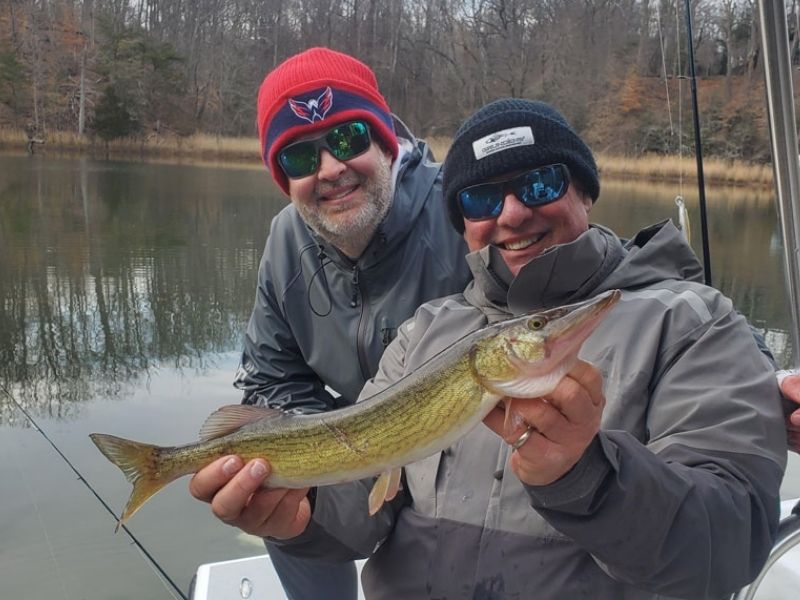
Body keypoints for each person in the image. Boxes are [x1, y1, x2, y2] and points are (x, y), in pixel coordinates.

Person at [194, 98, 790, 599]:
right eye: (480, 200)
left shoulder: (694, 322)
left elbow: (730, 544)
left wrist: (588, 476)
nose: (511, 213)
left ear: (586, 192)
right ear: (463, 223)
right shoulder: (428, 331)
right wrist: (301, 515)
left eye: (539, 183)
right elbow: (365, 499)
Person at [193, 47, 470, 599]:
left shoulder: (464, 211)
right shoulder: (285, 239)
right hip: (348, 446)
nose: (330, 169)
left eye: (347, 139)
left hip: (457, 451)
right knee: (282, 504)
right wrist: (328, 461)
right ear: (284, 178)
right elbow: (272, 377)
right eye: (300, 157)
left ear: (384, 142)